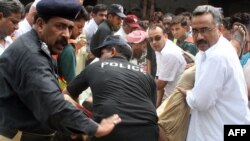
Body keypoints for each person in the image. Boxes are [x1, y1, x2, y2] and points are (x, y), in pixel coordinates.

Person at [0, 0, 121, 141]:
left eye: (69, 28)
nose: (67, 35)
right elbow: (51, 104)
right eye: (60, 26)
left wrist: (74, 122)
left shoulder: (36, 46)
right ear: (40, 25)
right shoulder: (31, 55)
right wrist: (94, 128)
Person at [63, 35, 159, 141]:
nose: (99, 58)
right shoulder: (147, 76)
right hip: (148, 134)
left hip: (111, 132)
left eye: (102, 54)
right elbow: (152, 111)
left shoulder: (96, 66)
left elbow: (66, 95)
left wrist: (81, 121)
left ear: (113, 51)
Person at [178, 5, 250, 141]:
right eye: (195, 31)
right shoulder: (213, 50)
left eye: (205, 30)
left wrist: (189, 94)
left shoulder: (216, 56)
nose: (199, 36)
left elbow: (201, 102)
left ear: (220, 29)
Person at [147, 24, 186, 107]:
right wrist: (156, 107)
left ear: (165, 36)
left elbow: (160, 84)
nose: (154, 42)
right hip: (170, 97)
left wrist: (140, 84)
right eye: (150, 39)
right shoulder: (159, 49)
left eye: (157, 38)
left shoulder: (169, 53)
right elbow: (160, 82)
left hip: (178, 101)